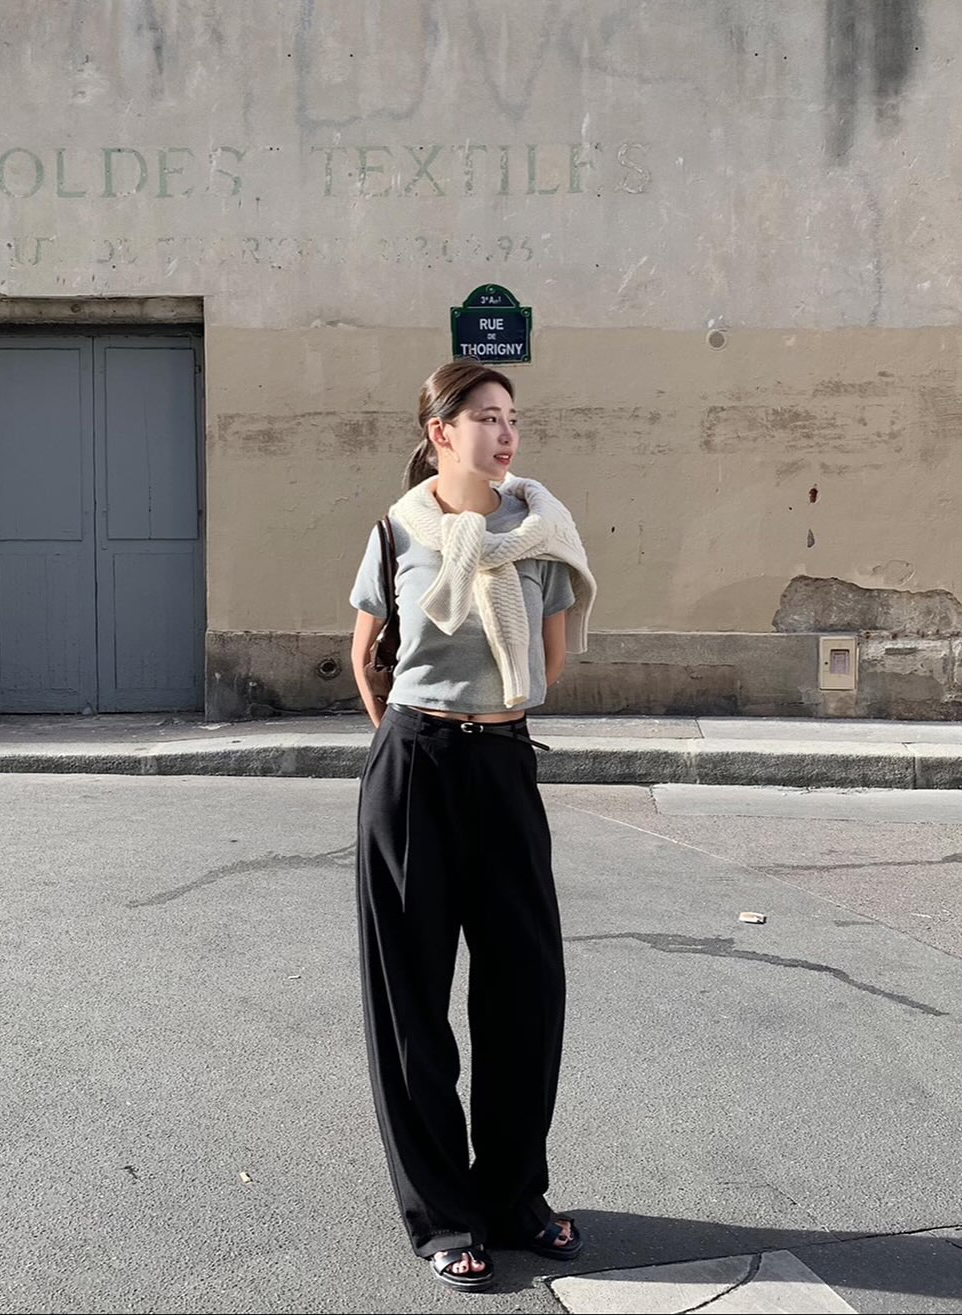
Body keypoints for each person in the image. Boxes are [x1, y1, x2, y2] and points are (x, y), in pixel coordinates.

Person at [348, 360, 596, 1292]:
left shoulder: (542, 532)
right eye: (486, 416)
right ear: (441, 432)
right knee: (411, 999)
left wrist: (486, 720)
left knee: (526, 987)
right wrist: (414, 738)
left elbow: (550, 661)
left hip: (503, 761)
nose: (505, 433)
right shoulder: (396, 531)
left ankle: (515, 1195)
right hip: (415, 765)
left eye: (512, 417)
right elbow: (367, 657)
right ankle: (445, 1214)